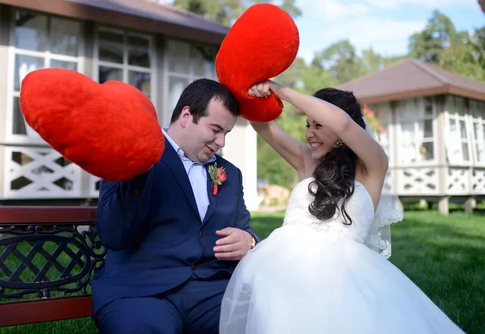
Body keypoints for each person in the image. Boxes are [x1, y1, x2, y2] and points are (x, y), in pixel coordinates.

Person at [219, 81, 464, 333]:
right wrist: (252, 91)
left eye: (318, 125)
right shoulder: (306, 161)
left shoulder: (373, 167)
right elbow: (263, 125)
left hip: (344, 275)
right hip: (282, 271)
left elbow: (344, 123)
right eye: (308, 126)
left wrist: (280, 90)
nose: (309, 134)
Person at [92, 78, 259, 334]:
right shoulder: (131, 153)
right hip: (140, 291)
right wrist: (139, 171)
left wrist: (248, 240)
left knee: (264, 321)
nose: (221, 142)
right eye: (215, 129)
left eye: (226, 133)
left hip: (211, 295)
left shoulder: (230, 174)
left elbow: (244, 229)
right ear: (186, 115)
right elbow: (113, 233)